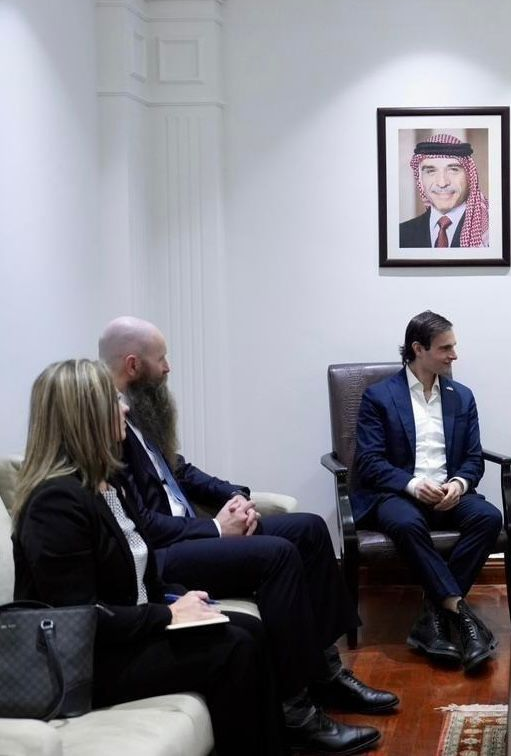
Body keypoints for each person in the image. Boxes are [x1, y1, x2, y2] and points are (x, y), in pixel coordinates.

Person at [98, 316, 392, 754]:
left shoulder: (138, 412)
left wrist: (236, 496)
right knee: (276, 555)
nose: (169, 368)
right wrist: (218, 527)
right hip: (164, 553)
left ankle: (327, 674)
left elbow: (181, 471)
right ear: (133, 365)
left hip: (190, 535)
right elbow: (142, 525)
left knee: (310, 529)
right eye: (162, 359)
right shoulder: (106, 424)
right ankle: (296, 712)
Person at [12, 359, 284, 755]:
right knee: (233, 649)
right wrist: (168, 614)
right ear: (84, 416)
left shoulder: (108, 485)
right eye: (113, 402)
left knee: (250, 630)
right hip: (89, 662)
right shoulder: (54, 503)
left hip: (129, 634)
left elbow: (141, 575)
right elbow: (81, 615)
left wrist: (181, 597)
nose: (125, 408)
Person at [352, 311, 504, 671]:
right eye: (445, 348)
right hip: (398, 494)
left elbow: (473, 458)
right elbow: (369, 462)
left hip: (449, 493)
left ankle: (432, 617)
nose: (454, 355)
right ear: (418, 349)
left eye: (454, 346)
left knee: (488, 518)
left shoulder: (461, 397)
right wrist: (413, 484)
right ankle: (462, 616)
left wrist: (459, 484)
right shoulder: (379, 397)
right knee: (406, 524)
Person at [398, 134, 490, 248]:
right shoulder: (401, 234)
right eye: (431, 171)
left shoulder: (491, 233)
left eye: (453, 170)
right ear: (420, 180)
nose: (442, 183)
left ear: (469, 176)